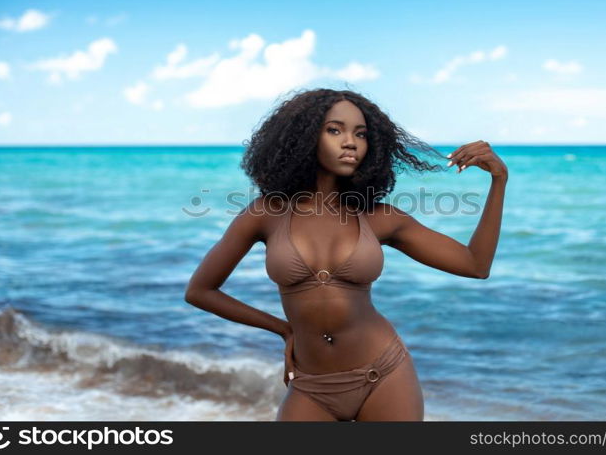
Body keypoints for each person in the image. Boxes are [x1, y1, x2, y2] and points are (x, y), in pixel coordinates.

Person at [184, 88, 508, 421]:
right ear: (305, 137)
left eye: (361, 133)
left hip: (383, 375)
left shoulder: (380, 217)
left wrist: (499, 180)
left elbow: (475, 265)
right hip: (312, 387)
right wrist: (283, 329)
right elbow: (200, 291)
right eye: (334, 130)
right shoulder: (265, 213)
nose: (350, 141)